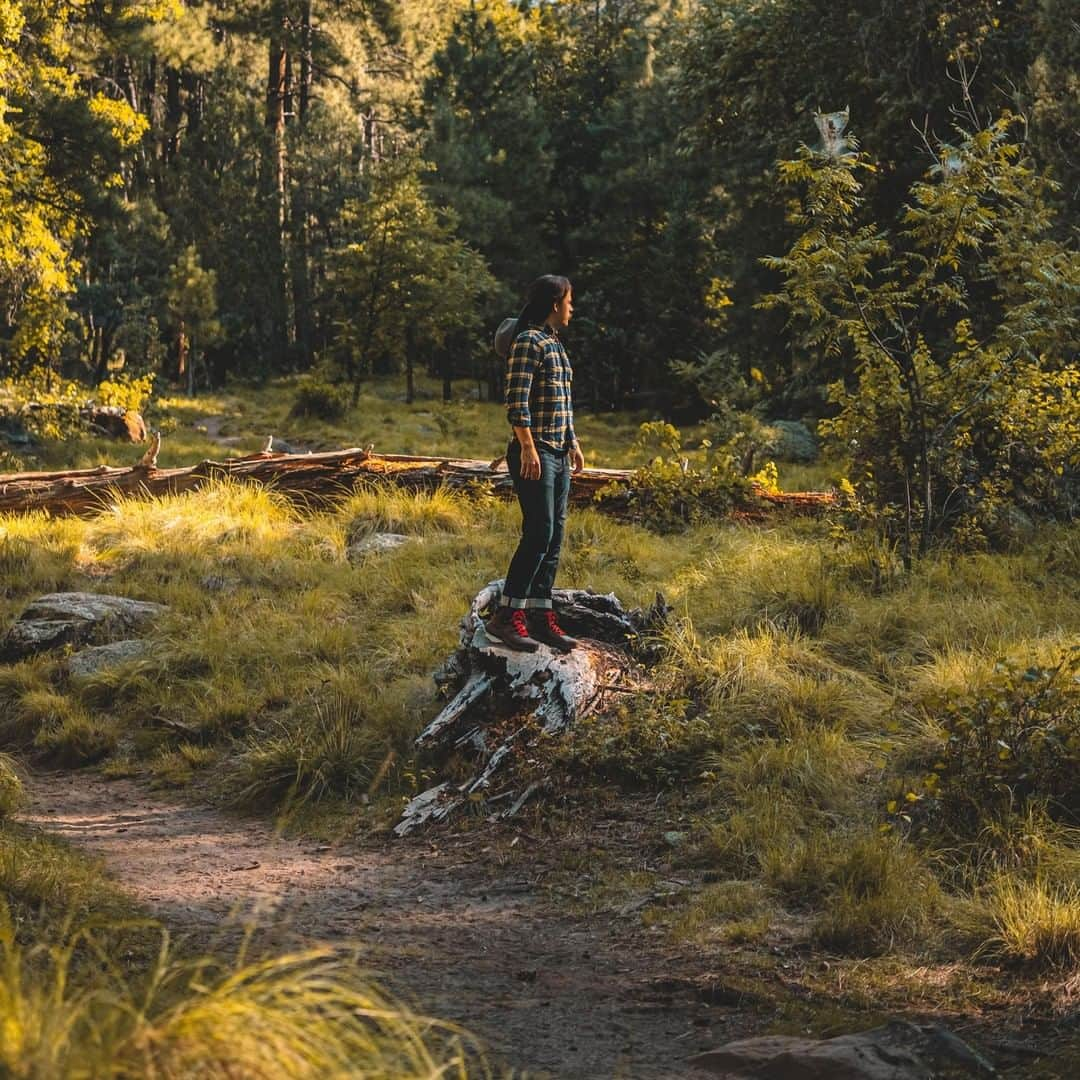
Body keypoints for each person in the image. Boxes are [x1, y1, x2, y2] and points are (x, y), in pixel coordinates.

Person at [486, 275, 586, 652]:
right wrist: (527, 446)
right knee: (539, 533)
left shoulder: (554, 343)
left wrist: (572, 443)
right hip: (536, 452)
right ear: (556, 302)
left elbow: (563, 402)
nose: (572, 308)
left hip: (558, 451)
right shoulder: (528, 341)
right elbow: (516, 399)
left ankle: (540, 616)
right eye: (570, 301)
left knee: (555, 535)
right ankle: (505, 617)